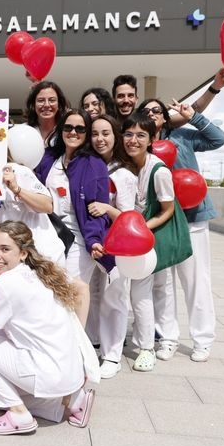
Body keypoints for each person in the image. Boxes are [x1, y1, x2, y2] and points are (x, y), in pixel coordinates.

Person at [0, 221, 97, 434]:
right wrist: (78, 349)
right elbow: (82, 288)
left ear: (22, 253)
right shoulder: (43, 271)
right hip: (72, 372)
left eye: (5, 249)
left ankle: (18, 414)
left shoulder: (4, 285)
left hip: (49, 373)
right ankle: (75, 401)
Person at [136, 95, 224, 363]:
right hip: (160, 222)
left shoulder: (184, 137)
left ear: (165, 116)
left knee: (195, 280)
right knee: (162, 284)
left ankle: (202, 340)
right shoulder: (139, 145)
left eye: (157, 110)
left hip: (193, 218)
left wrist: (193, 116)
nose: (152, 114)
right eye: (147, 111)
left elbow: (218, 139)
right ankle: (167, 338)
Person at [37, 110, 113, 321]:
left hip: (79, 237)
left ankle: (77, 347)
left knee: (72, 293)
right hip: (48, 234)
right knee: (48, 294)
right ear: (60, 129)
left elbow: (98, 208)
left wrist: (95, 239)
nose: (73, 132)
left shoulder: (94, 164)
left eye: (80, 129)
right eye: (68, 127)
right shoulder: (48, 158)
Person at [122, 113, 180, 372]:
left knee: (141, 292)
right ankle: (146, 341)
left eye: (140, 136)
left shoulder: (159, 170)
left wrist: (143, 227)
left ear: (151, 139)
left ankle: (147, 348)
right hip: (131, 238)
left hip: (148, 239)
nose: (133, 140)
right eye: (129, 134)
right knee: (137, 291)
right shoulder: (126, 164)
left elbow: (168, 209)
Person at [0, 125, 65, 264]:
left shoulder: (16, 171)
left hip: (43, 258)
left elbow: (47, 206)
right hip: (14, 264)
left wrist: (17, 189)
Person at [86, 114, 138, 378]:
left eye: (105, 133)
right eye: (95, 133)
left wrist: (107, 208)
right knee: (93, 296)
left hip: (115, 247)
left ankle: (113, 355)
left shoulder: (123, 175)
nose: (100, 139)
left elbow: (129, 219)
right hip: (92, 245)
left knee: (115, 298)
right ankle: (94, 343)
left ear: (115, 136)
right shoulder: (88, 167)